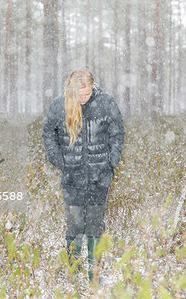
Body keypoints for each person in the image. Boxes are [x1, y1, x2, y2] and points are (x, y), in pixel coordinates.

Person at [42, 67, 125, 282]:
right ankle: (74, 276)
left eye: (87, 94)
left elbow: (118, 132)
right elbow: (48, 133)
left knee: (95, 225)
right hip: (72, 177)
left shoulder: (106, 103)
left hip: (100, 178)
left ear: (92, 87)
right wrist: (60, 161)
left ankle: (93, 276)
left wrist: (111, 162)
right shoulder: (59, 105)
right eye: (79, 95)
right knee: (75, 224)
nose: (83, 99)